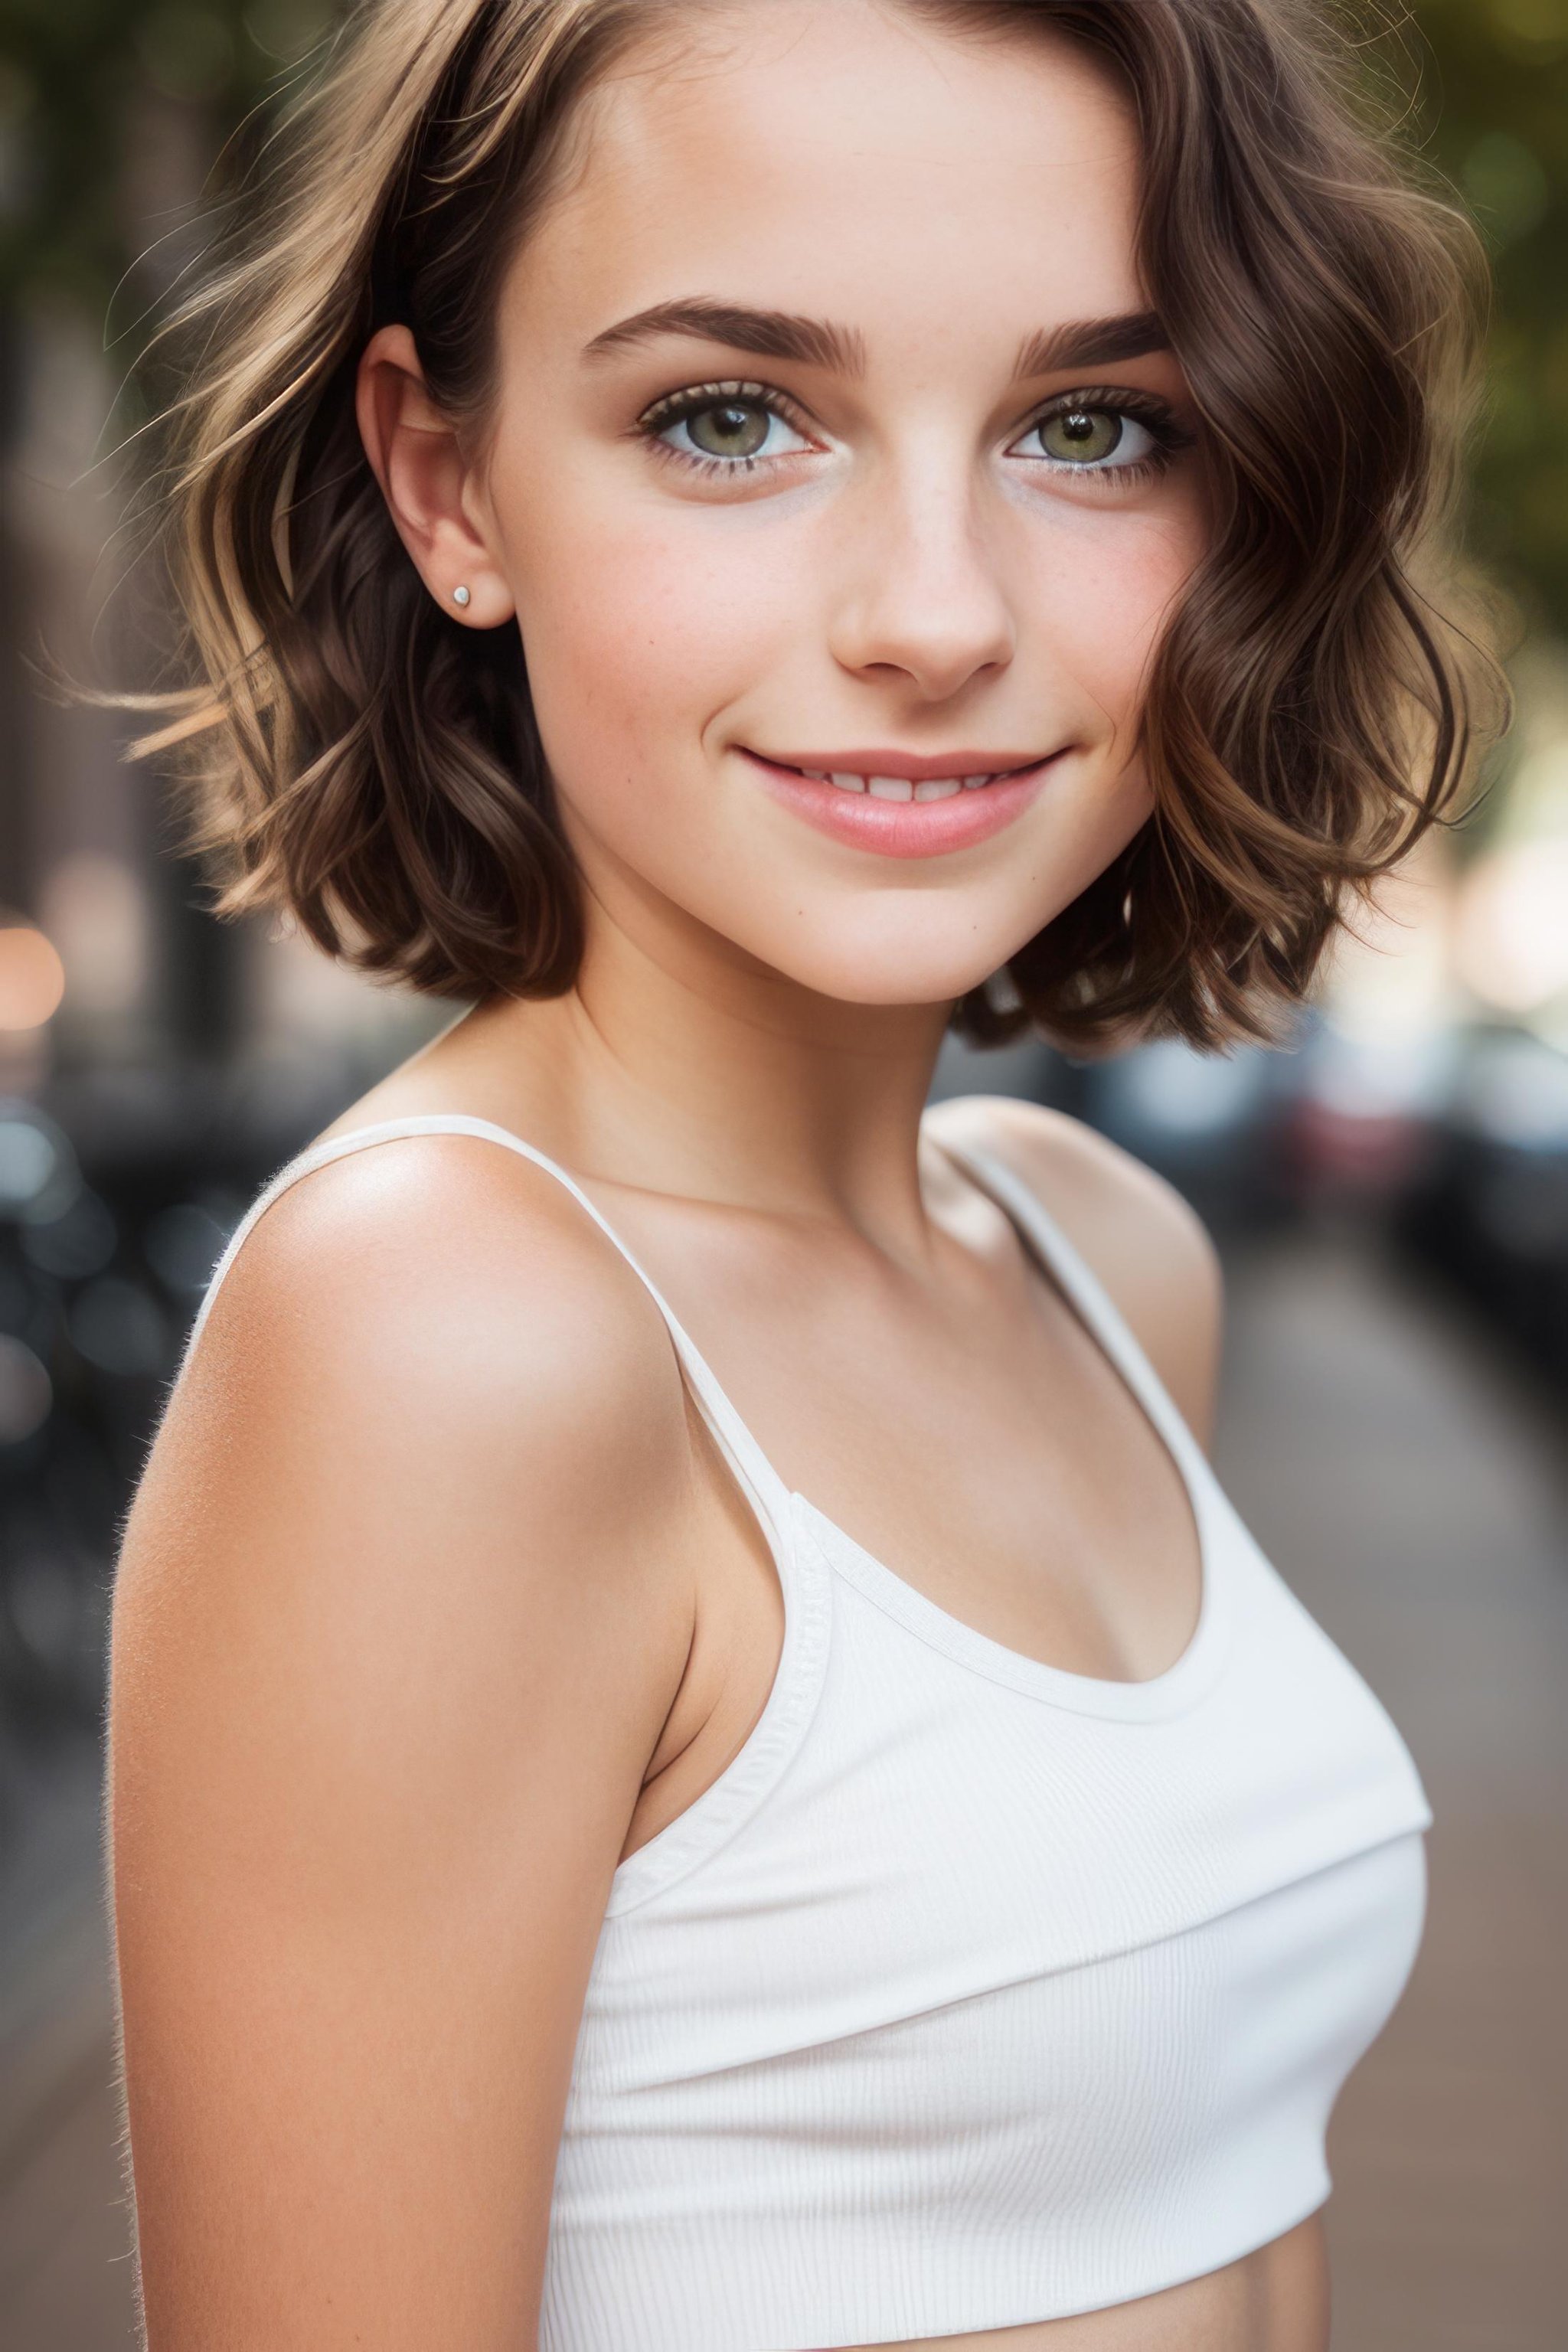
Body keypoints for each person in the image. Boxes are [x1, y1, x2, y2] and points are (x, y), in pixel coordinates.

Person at [106, 2, 1503, 2347]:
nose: (937, 615)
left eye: (1095, 427)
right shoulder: (445, 1333)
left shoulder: (1099, 1257)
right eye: (729, 419)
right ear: (448, 486)